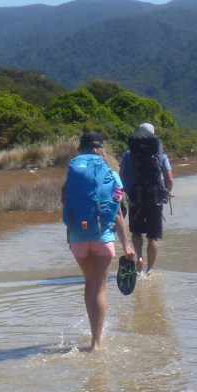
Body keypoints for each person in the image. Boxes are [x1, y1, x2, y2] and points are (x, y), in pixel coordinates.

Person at [61, 131, 135, 350]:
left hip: (78, 239)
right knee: (101, 288)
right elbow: (117, 213)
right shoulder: (111, 174)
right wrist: (126, 245)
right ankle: (96, 342)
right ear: (102, 148)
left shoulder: (73, 173)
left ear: (80, 149)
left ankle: (93, 333)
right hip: (103, 238)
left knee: (89, 284)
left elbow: (65, 202)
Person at [118, 122, 174, 277]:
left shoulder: (128, 153)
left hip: (135, 198)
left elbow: (120, 174)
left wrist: (125, 192)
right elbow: (169, 178)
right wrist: (166, 193)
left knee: (136, 232)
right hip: (155, 199)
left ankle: (139, 260)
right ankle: (150, 269)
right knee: (153, 236)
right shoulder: (160, 154)